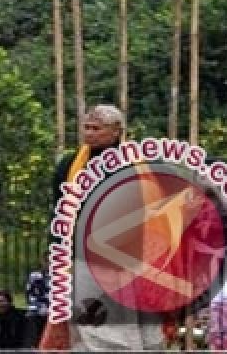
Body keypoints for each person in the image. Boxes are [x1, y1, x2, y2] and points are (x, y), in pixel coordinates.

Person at [40, 104, 164, 351]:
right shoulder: (69, 166)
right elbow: (60, 211)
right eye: (86, 127)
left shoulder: (138, 166)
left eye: (96, 128)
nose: (89, 133)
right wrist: (55, 247)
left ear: (117, 131)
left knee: (142, 329)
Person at [23, 260, 50, 346]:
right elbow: (29, 294)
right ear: (43, 262)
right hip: (37, 306)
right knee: (31, 316)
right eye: (48, 261)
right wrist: (41, 306)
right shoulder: (34, 275)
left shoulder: (63, 277)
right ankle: (32, 345)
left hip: (55, 308)